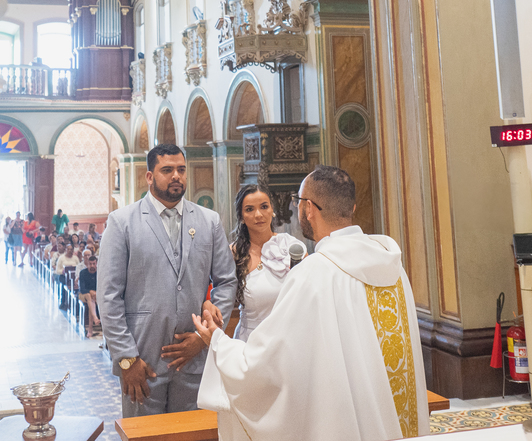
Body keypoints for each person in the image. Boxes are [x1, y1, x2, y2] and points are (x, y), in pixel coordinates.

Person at [192, 166, 427, 441]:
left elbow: (269, 358)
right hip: (389, 411)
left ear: (309, 209)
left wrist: (218, 343)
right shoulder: (391, 264)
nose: (296, 207)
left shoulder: (314, 273)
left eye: (299, 201)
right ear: (351, 207)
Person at [98, 143, 236, 418]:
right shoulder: (122, 222)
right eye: (167, 170)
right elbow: (109, 296)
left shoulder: (209, 221)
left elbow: (227, 281)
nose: (176, 176)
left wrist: (203, 336)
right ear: (150, 176)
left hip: (193, 358)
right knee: (146, 435)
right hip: (142, 358)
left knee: (192, 433)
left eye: (181, 170)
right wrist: (126, 358)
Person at [228, 184, 301, 342]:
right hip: (250, 339)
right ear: (241, 217)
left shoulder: (292, 246)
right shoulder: (233, 253)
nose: (258, 214)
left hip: (288, 338)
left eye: (264, 207)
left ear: (272, 209)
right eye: (249, 209)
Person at [79, 255, 100, 336]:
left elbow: (101, 286)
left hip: (95, 295)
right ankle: (95, 318)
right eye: (90, 264)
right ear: (87, 264)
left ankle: (91, 328)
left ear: (96, 264)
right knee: (88, 296)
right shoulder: (83, 273)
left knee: (91, 300)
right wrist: (91, 292)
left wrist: (95, 293)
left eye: (93, 264)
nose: (92, 266)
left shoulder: (99, 273)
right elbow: (82, 289)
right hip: (83, 294)